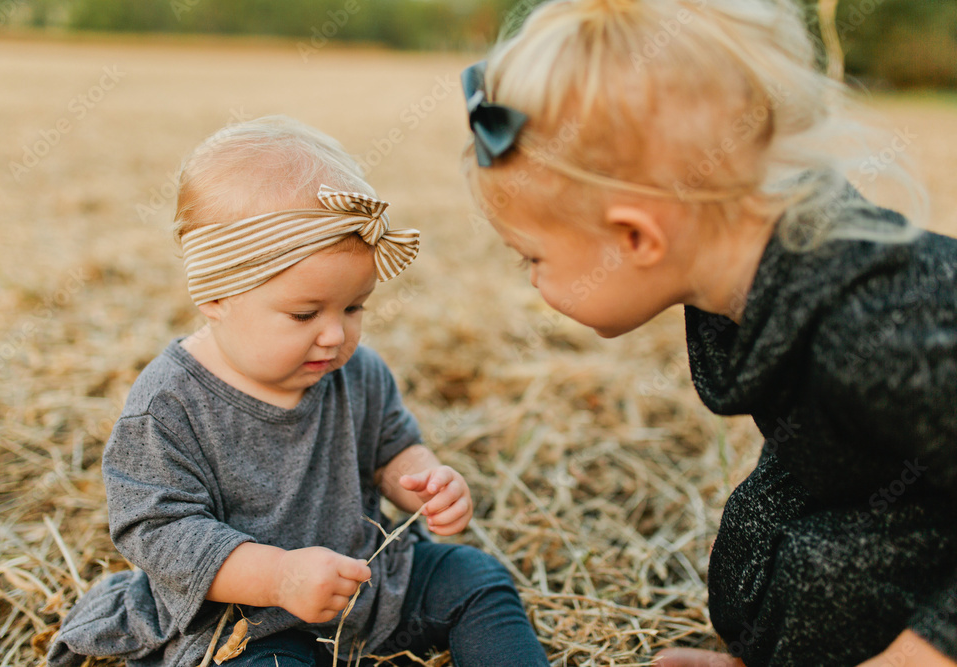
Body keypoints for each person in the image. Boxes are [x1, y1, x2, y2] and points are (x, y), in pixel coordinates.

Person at [459, 1, 957, 666]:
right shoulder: (747, 293)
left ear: (636, 236)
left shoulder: (873, 326)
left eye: (533, 257)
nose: (530, 281)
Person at [47, 116, 549, 667]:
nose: (335, 334)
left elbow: (391, 449)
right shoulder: (169, 405)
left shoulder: (358, 372)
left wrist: (426, 484)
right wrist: (278, 578)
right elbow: (159, 532)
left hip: (368, 582)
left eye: (354, 307)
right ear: (216, 295)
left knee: (475, 577)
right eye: (305, 312)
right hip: (244, 619)